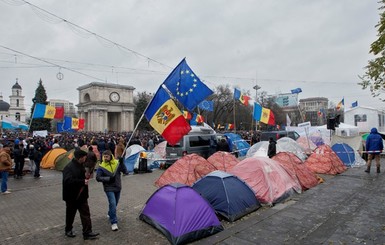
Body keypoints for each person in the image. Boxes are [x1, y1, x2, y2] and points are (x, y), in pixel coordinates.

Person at [62, 149, 99, 240]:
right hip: (72, 196)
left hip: (82, 196)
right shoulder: (69, 167)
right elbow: (67, 181)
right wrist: (82, 181)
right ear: (80, 158)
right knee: (70, 214)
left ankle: (87, 232)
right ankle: (68, 229)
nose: (85, 159)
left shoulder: (81, 165)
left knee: (86, 214)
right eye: (84, 157)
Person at [96, 150, 129, 231]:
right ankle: (114, 222)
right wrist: (108, 179)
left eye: (107, 156)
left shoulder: (117, 163)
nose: (105, 158)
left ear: (111, 156)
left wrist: (122, 163)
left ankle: (110, 213)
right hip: (108, 188)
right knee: (113, 203)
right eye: (104, 156)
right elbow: (98, 178)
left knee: (115, 203)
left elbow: (125, 171)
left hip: (117, 187)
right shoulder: (101, 166)